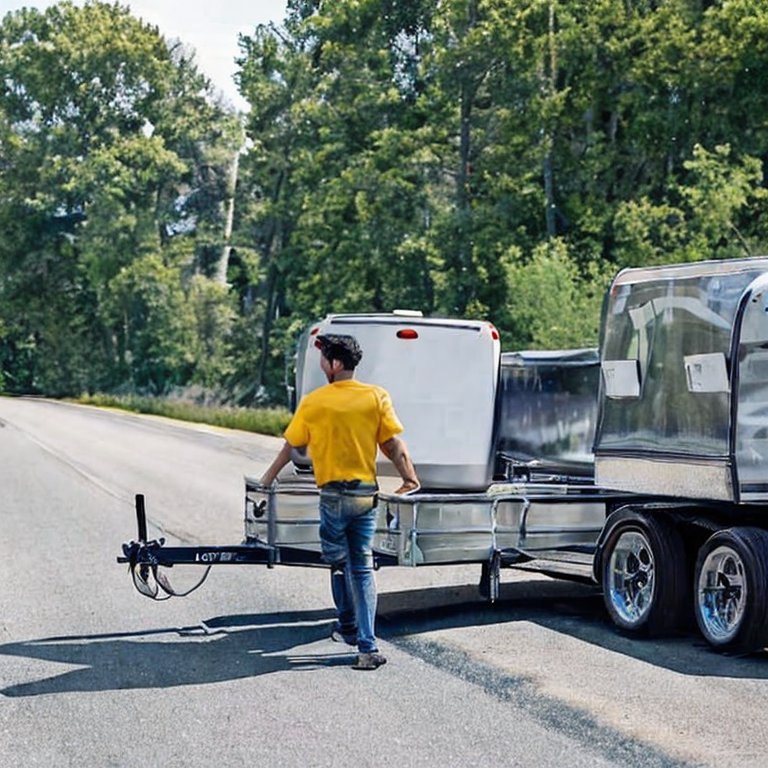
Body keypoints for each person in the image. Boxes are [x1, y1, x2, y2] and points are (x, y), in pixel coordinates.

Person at [260, 333, 420, 670]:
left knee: (337, 562)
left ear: (334, 364)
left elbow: (291, 447)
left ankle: (346, 625)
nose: (321, 366)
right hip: (365, 494)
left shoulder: (315, 402)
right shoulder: (376, 397)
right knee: (362, 567)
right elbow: (393, 445)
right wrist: (410, 478)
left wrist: (267, 479)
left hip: (332, 496)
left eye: (323, 360)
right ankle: (367, 646)